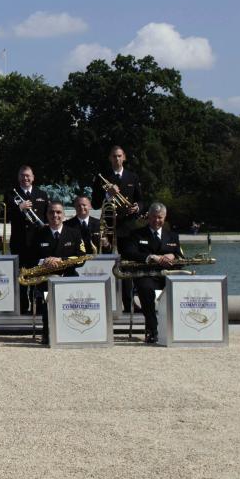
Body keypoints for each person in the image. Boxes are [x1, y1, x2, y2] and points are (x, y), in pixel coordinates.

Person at [120, 202, 182, 344]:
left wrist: (174, 256)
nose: (156, 220)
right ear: (148, 217)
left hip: (168, 275)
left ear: (165, 217)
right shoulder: (136, 234)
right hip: (146, 274)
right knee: (145, 289)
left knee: (182, 286)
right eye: (153, 217)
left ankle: (179, 328)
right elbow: (128, 252)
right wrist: (150, 257)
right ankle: (152, 330)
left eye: (160, 217)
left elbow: (181, 258)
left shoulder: (172, 236)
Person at [91, 145, 144, 311]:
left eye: (119, 156)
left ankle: (128, 307)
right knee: (108, 266)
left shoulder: (132, 177)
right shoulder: (102, 178)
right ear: (110, 158)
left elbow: (142, 201)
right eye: (114, 156)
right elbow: (94, 203)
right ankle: (108, 305)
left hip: (128, 229)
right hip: (108, 229)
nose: (117, 159)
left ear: (124, 157)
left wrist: (137, 208)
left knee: (127, 267)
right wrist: (108, 195)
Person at [29, 200, 87, 345]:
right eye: (51, 212)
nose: (55, 215)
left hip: (68, 276)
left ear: (64, 215)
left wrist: (61, 260)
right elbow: (29, 258)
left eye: (58, 212)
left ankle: (72, 330)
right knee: (47, 299)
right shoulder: (38, 234)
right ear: (47, 215)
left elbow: (82, 258)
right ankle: (47, 332)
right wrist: (44, 261)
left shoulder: (74, 233)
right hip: (45, 277)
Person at [5, 165, 49, 311]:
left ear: (33, 177)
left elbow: (47, 217)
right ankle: (23, 308)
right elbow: (6, 216)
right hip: (20, 243)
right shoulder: (11, 195)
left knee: (38, 276)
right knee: (21, 277)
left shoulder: (42, 194)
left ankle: (39, 308)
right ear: (18, 178)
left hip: (38, 244)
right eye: (22, 176)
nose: (25, 178)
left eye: (28, 176)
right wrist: (20, 208)